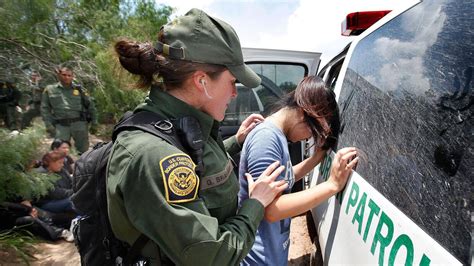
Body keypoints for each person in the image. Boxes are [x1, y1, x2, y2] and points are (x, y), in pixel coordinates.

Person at [107, 8, 290, 265]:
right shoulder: (154, 156)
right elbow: (211, 256)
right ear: (202, 81)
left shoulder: (182, 124)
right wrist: (256, 203)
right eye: (232, 82)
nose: (235, 94)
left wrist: (235, 142)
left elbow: (195, 169)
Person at [238, 76, 359, 265]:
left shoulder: (276, 134)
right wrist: (332, 185)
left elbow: (283, 179)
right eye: (313, 131)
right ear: (304, 114)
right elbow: (271, 209)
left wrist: (316, 158)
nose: (308, 138)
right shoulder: (266, 140)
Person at [41, 66, 98, 153]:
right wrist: (48, 125)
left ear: (72, 76)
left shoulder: (79, 89)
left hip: (79, 125)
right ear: (59, 75)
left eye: (69, 75)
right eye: (64, 75)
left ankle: (82, 166)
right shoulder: (50, 90)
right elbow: (45, 108)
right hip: (61, 126)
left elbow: (91, 106)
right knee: (58, 152)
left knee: (83, 152)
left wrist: (94, 123)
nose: (66, 77)